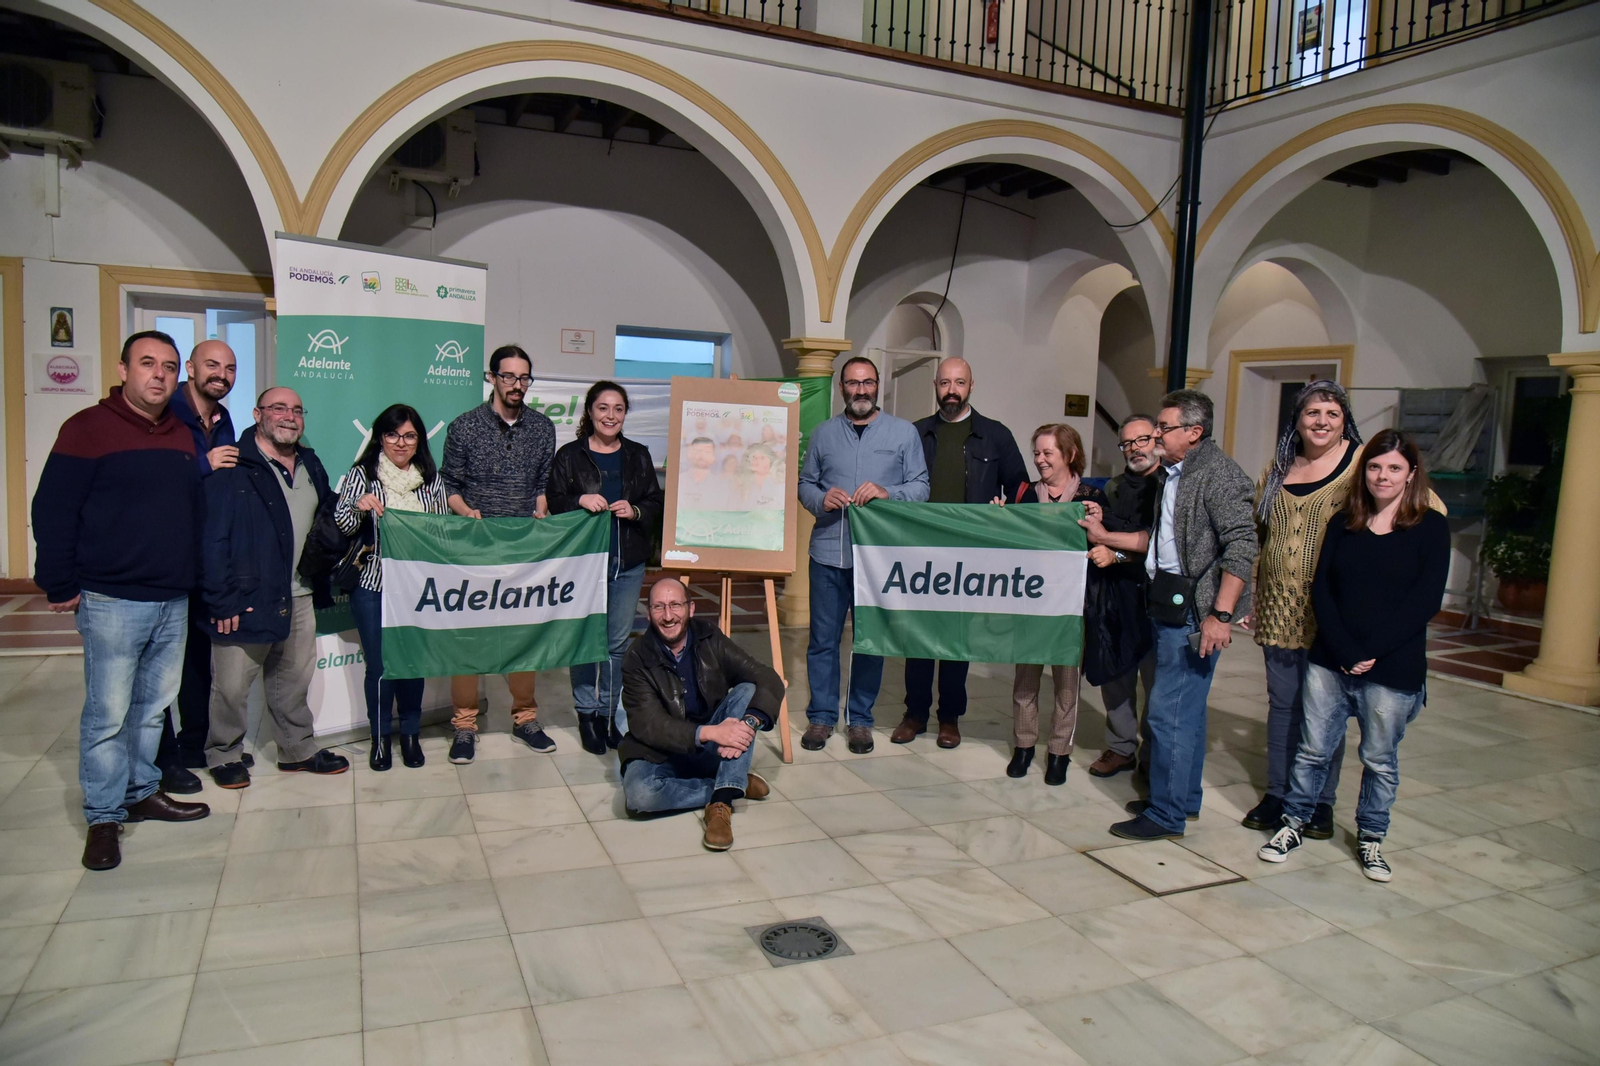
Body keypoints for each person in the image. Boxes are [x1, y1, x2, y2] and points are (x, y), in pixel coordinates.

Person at [33, 331, 211, 870]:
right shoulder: (87, 429)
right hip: (112, 597)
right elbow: (53, 509)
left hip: (171, 596)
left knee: (152, 709)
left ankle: (140, 791)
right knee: (108, 713)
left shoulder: (181, 433)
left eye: (169, 366)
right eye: (148, 363)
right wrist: (58, 582)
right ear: (124, 368)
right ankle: (104, 816)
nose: (159, 374)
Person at [1259, 431, 1449, 882]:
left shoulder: (1430, 527)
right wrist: (1344, 647)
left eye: (1394, 468)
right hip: (1331, 657)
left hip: (1393, 665)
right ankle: (1294, 824)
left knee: (1380, 759)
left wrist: (1370, 651)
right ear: (1364, 473)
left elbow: (1425, 602)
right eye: (1375, 467)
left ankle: (1371, 838)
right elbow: (1321, 589)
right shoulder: (1345, 520)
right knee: (1312, 750)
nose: (1383, 476)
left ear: (1411, 475)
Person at [1108, 389, 1257, 841]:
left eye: (1164, 427)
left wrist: (1221, 614)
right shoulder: (1174, 472)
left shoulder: (1219, 476)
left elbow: (1244, 545)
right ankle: (1179, 798)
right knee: (1185, 712)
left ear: (1194, 433)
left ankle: (1166, 814)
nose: (1156, 434)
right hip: (1169, 602)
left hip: (1196, 612)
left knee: (1169, 714)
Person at [201, 387, 350, 787]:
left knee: (293, 681)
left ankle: (297, 748)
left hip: (300, 593)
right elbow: (213, 538)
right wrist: (222, 599)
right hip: (246, 597)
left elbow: (323, 513)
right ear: (257, 414)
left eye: (297, 410)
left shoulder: (310, 462)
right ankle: (224, 753)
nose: (289, 416)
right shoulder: (233, 463)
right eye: (279, 408)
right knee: (232, 686)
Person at [1240, 381, 1363, 839]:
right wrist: (1251, 594)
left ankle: (1319, 802)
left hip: (1332, 611)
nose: (1321, 421)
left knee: (1325, 711)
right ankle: (1278, 793)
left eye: (1332, 412)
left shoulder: (1361, 464)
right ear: (1297, 419)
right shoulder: (1278, 468)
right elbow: (1256, 533)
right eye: (1312, 412)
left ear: (1344, 418)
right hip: (1277, 607)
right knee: (1283, 706)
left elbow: (1421, 508)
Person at [892, 356, 1028, 750]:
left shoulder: (995, 435)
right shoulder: (915, 434)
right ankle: (914, 713)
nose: (951, 390)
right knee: (916, 637)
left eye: (960, 382)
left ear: (972, 386)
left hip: (970, 558)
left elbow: (1020, 490)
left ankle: (949, 717)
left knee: (955, 641)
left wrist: (1005, 517)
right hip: (918, 554)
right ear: (935, 385)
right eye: (945, 382)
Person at [797, 355, 929, 753]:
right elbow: (804, 484)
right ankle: (821, 718)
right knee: (823, 641)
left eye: (868, 382)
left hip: (877, 559)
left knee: (869, 641)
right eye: (853, 383)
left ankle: (860, 720)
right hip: (827, 555)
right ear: (842, 388)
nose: (861, 390)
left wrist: (889, 494)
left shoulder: (903, 434)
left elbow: (921, 487)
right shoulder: (822, 434)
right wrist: (822, 498)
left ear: (878, 387)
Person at [440, 344, 558, 763]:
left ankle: (525, 718)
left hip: (523, 553)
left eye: (524, 377)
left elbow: (543, 482)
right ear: (491, 377)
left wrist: (542, 504)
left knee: (522, 638)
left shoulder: (543, 428)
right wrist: (466, 512)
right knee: (470, 640)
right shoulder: (464, 426)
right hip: (473, 551)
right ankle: (465, 725)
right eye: (508, 376)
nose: (517, 385)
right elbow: (449, 484)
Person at [619, 578, 783, 850]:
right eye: (659, 607)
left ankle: (721, 802)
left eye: (675, 605)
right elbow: (648, 724)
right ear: (648, 613)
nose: (668, 616)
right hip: (659, 751)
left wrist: (751, 721)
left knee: (747, 689)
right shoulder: (636, 658)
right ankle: (731, 783)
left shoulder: (709, 637)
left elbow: (767, 676)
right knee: (640, 796)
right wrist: (710, 732)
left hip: (710, 749)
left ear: (691, 608)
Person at [547, 381, 664, 755]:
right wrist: (579, 498)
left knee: (615, 645)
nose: (610, 416)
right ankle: (585, 714)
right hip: (584, 565)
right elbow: (554, 499)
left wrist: (637, 510)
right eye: (603, 408)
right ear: (590, 412)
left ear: (625, 414)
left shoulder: (638, 455)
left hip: (627, 562)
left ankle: (608, 714)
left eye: (618, 409)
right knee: (585, 643)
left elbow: (654, 501)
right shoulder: (569, 455)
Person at [336, 404, 449, 771]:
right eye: (392, 434)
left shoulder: (431, 478)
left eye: (410, 435)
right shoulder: (363, 474)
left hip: (416, 589)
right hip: (373, 585)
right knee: (381, 667)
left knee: (412, 663)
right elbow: (341, 523)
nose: (401, 443)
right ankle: (380, 739)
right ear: (379, 437)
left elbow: (443, 530)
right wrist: (358, 506)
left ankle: (411, 736)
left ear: (419, 440)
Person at [155, 339, 241, 794]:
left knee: (198, 664)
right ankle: (161, 759)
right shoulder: (164, 415)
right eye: (212, 365)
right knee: (160, 671)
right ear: (190, 367)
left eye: (229, 368)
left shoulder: (224, 420)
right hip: (164, 561)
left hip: (207, 562)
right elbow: (152, 482)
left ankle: (193, 747)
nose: (221, 374)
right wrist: (202, 466)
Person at [1002, 424, 1106, 785]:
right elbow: (1010, 542)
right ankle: (1024, 746)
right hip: (1032, 602)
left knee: (1066, 684)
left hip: (1072, 606)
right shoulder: (1025, 494)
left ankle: (1060, 751)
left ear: (1070, 454)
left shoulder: (1092, 496)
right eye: (1037, 453)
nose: (1040, 460)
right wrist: (1000, 518)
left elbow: (1103, 546)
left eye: (1048, 453)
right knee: (1025, 680)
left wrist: (1100, 522)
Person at [1081, 415, 1160, 778]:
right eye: (1127, 443)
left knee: (1157, 685)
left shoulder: (1169, 486)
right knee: (1116, 678)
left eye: (1141, 440)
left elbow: (1154, 548)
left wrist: (1116, 554)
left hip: (1157, 600)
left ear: (1156, 439)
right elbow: (1100, 534)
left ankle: (1153, 755)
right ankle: (1121, 747)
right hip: (1116, 598)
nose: (1134, 449)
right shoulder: (1111, 488)